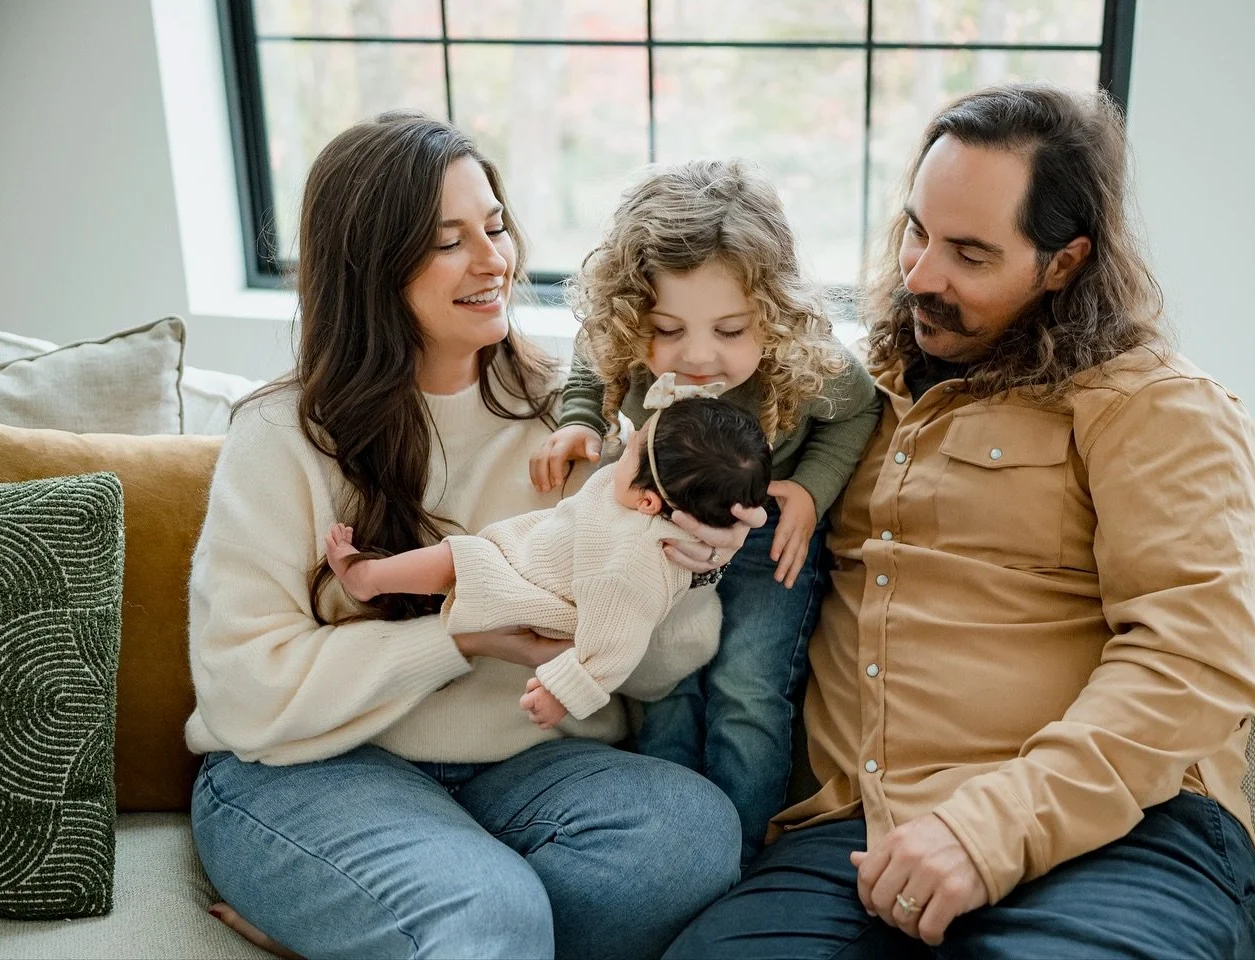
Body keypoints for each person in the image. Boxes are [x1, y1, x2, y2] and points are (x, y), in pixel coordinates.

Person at [667, 83, 1255, 959]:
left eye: (970, 255)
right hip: (851, 835)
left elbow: (1194, 660)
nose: (920, 274)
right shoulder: (849, 400)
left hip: (1120, 837)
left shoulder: (1155, 407)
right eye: (917, 231)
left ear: (1063, 263)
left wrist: (986, 830)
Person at [184, 110, 766, 960]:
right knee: (488, 909)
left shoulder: (578, 420)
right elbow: (243, 690)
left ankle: (392, 933)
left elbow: (646, 670)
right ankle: (452, 919)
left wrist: (690, 570)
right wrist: (462, 636)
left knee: (690, 837)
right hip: (317, 768)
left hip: (527, 770)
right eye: (447, 241)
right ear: (370, 266)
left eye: (494, 226)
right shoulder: (281, 436)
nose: (494, 260)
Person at [533, 159, 884, 864]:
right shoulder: (622, 341)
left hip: (764, 540)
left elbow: (859, 411)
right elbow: (590, 360)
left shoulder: (806, 362)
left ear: (773, 315)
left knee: (746, 691)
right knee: (665, 683)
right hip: (661, 530)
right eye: (667, 328)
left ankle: (741, 852)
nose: (697, 356)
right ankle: (673, 845)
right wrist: (578, 421)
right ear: (632, 317)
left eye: (730, 330)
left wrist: (810, 491)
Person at [324, 388, 772, 730]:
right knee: (459, 559)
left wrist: (565, 692)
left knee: (458, 559)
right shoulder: (651, 498)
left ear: (649, 503)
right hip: (538, 565)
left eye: (633, 448)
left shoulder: (631, 564)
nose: (627, 440)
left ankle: (370, 577)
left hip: (538, 595)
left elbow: (617, 644)